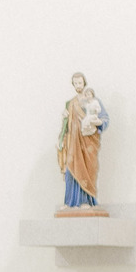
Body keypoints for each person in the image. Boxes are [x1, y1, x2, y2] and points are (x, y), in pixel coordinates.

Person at [57, 71, 110, 210]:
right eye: (75, 83)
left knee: (87, 169)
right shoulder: (70, 103)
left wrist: (98, 123)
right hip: (73, 143)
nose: (78, 85)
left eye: (80, 83)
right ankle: (70, 202)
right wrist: (61, 137)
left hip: (88, 143)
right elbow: (66, 126)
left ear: (84, 83)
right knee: (71, 169)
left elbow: (104, 118)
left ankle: (85, 200)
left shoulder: (93, 101)